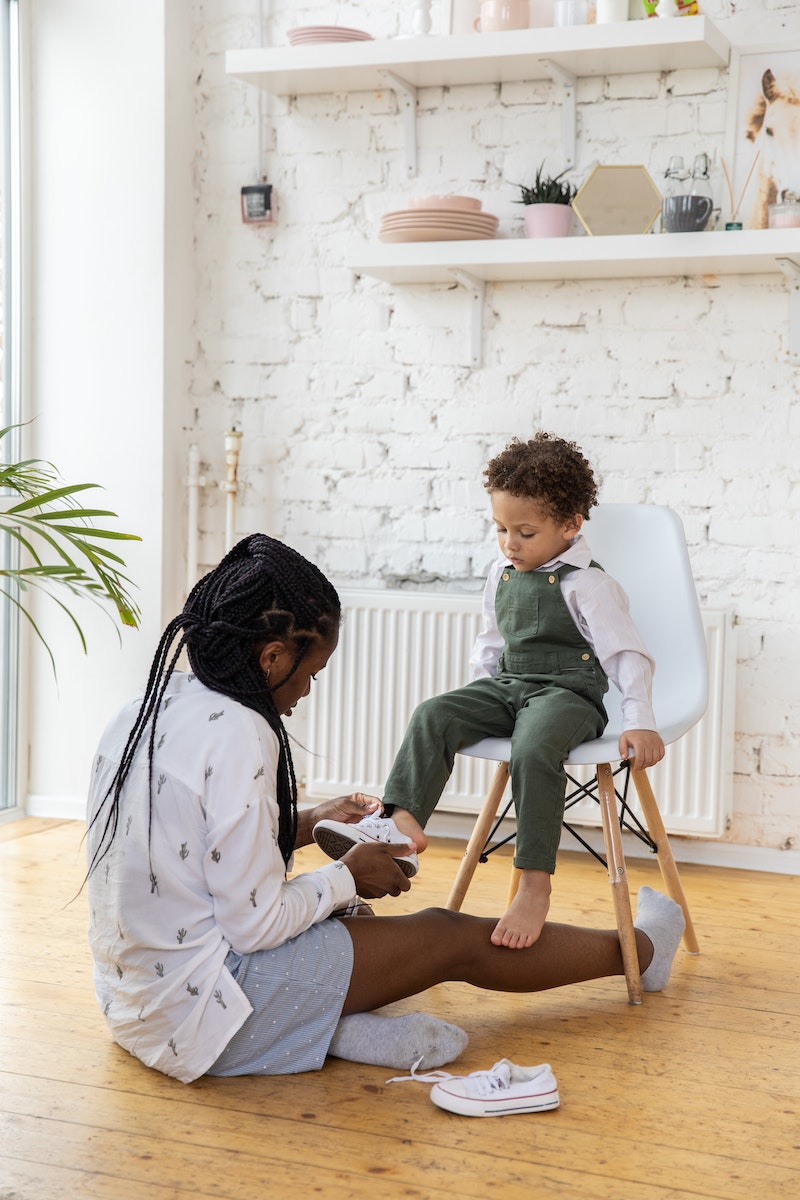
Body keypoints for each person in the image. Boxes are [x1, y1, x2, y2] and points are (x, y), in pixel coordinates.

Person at [86, 532, 683, 1085]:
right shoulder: (243, 732)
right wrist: (349, 876)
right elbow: (254, 925)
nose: (307, 692)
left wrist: (310, 822)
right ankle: (641, 953)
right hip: (208, 1018)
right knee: (445, 936)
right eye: (310, 672)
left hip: (136, 1004)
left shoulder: (152, 702)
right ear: (271, 658)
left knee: (358, 927)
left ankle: (325, 1032)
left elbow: (199, 849)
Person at [315, 433, 665, 950]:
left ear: (570, 526)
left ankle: (533, 883)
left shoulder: (589, 584)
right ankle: (401, 823)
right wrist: (478, 703)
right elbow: (491, 642)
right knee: (434, 713)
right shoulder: (500, 572)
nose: (510, 543)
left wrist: (640, 718)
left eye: (525, 532)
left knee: (533, 744)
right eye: (501, 528)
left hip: (568, 697)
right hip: (508, 687)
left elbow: (625, 654)